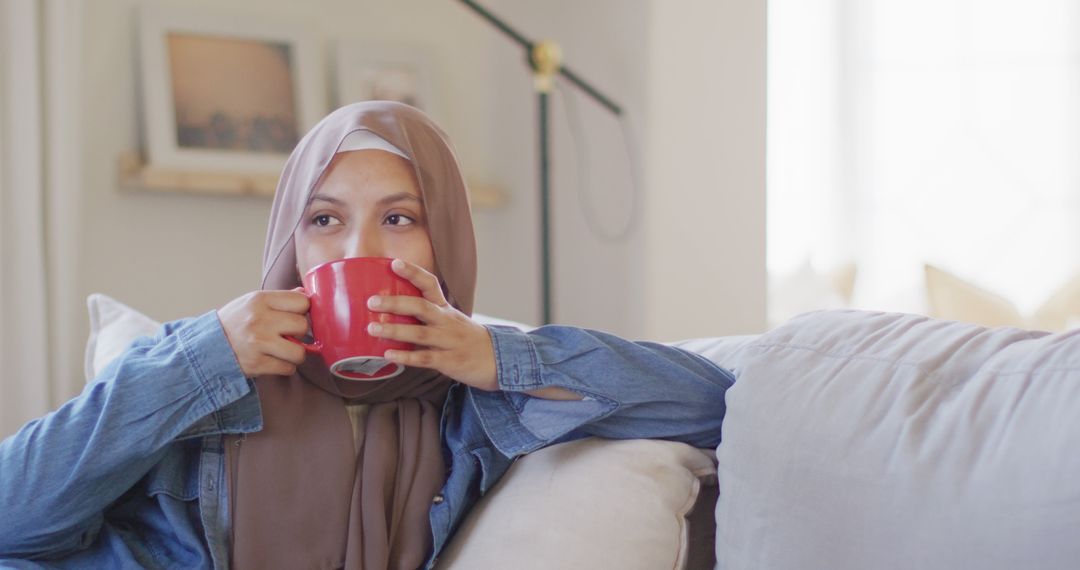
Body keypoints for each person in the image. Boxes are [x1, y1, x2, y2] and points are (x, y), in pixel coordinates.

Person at [0, 101, 734, 569]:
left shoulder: (477, 401)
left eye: (399, 218)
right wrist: (200, 359)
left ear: (443, 240)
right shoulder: (204, 367)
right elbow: (12, 518)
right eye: (324, 220)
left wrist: (497, 356)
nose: (356, 251)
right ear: (293, 243)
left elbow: (715, 404)